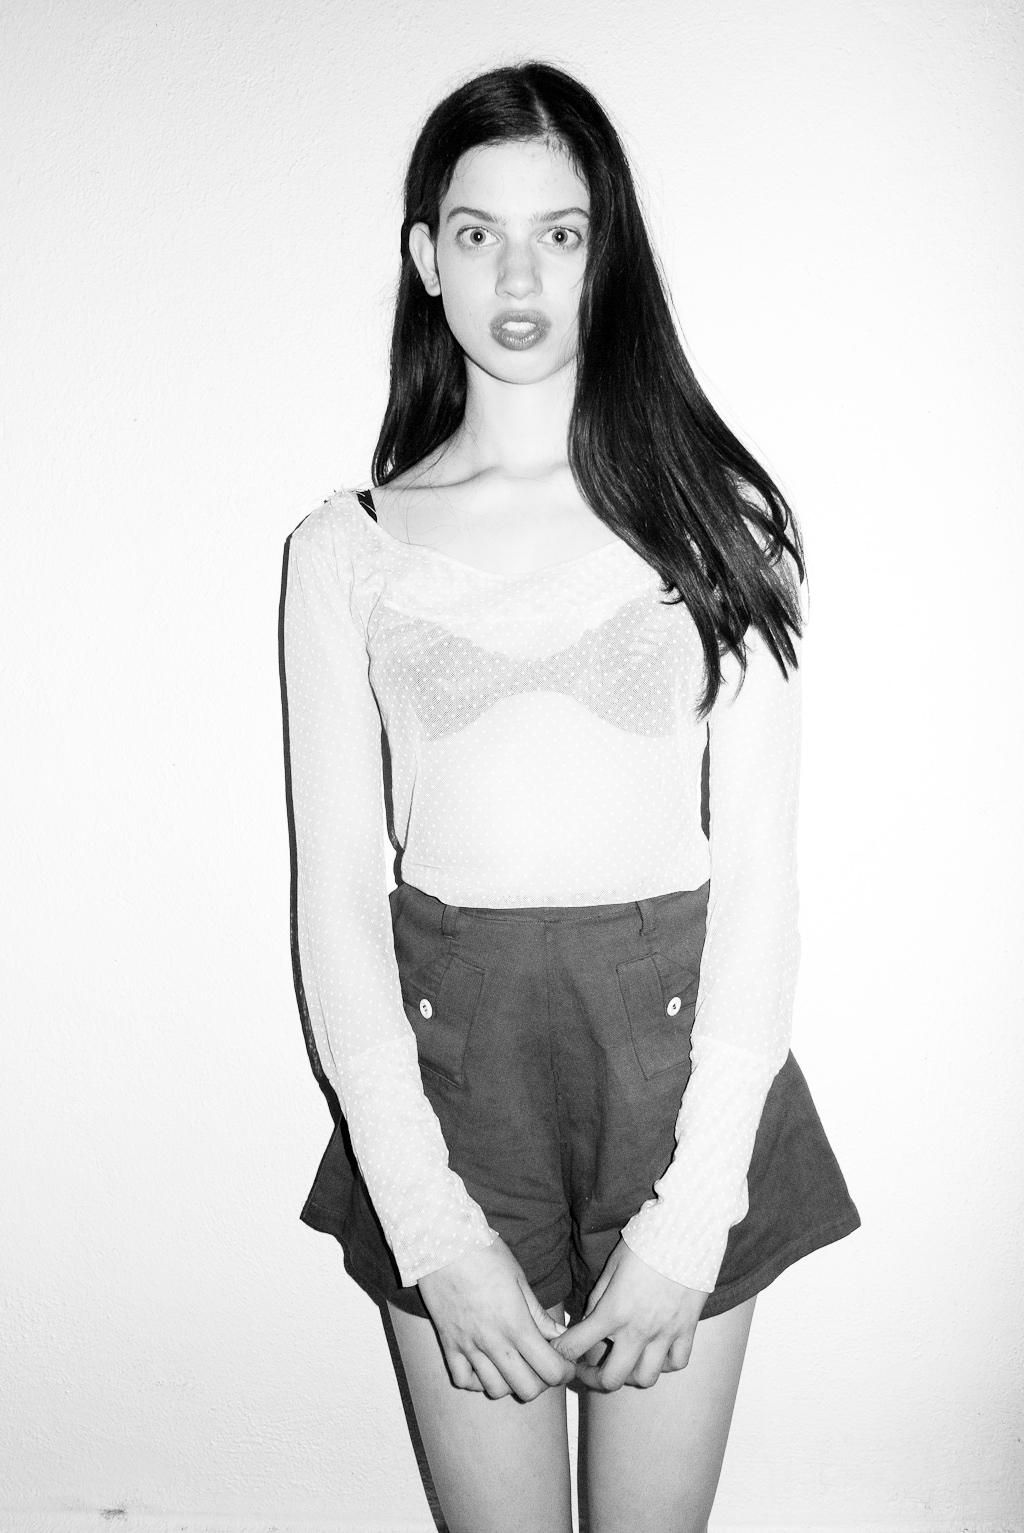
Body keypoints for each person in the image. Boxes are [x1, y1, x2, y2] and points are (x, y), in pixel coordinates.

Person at [281, 60, 860, 1533]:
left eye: (561, 232)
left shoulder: (718, 525)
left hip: (676, 1078)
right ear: (427, 257)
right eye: (479, 234)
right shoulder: (345, 550)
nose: (520, 276)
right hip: (446, 1084)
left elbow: (764, 881)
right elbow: (336, 897)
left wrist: (694, 1213)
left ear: (609, 254)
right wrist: (430, 1226)